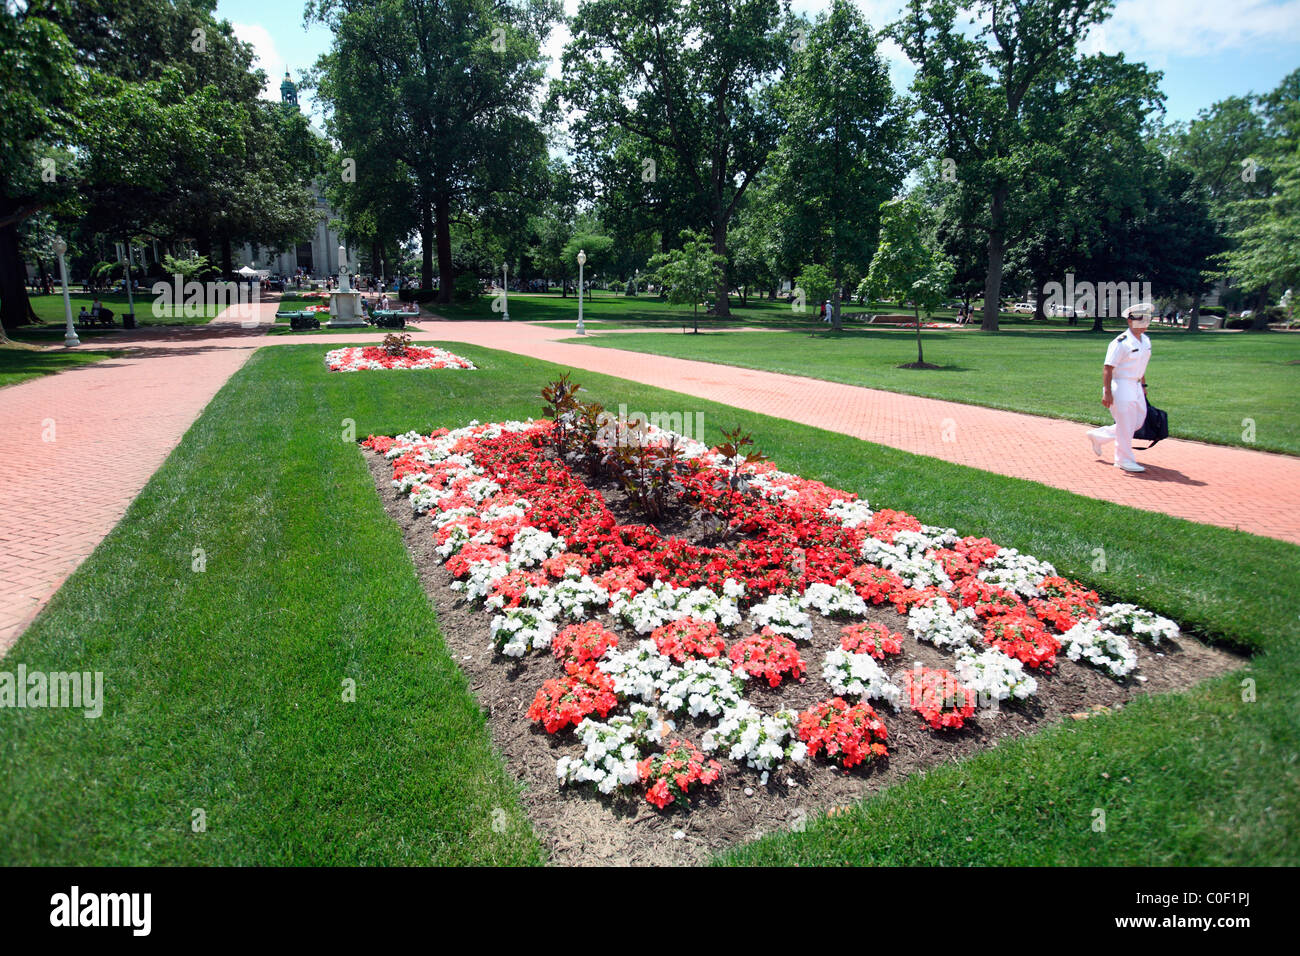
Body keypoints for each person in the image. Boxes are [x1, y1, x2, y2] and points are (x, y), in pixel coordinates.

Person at [1088, 307, 1153, 472]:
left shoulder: (1145, 340)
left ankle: (1100, 436)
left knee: (1137, 422)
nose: (1144, 325)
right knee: (1126, 424)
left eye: (1146, 321)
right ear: (1130, 321)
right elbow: (1108, 368)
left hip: (1136, 385)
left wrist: (1143, 385)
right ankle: (1123, 459)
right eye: (1140, 321)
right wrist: (1107, 392)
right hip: (1122, 385)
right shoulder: (1121, 342)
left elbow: (1142, 366)